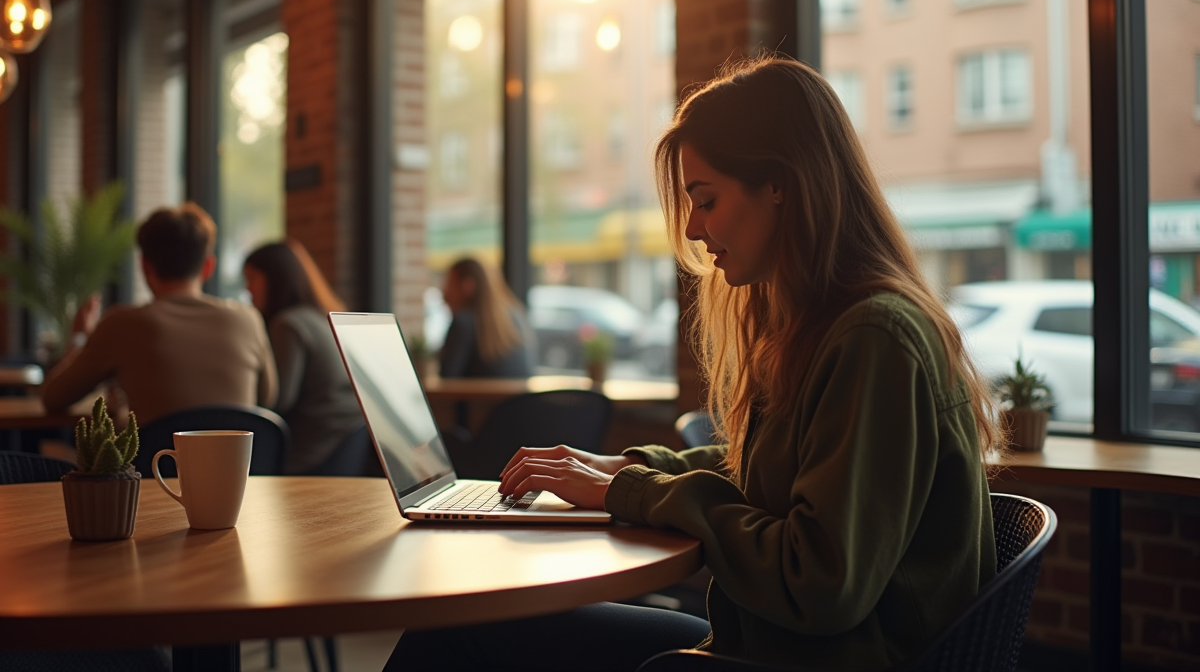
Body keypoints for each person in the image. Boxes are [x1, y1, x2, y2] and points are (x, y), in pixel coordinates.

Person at [384, 56, 1002, 672]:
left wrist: (637, 493)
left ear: (781, 185)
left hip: (801, 660)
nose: (694, 229)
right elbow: (762, 476)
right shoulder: (826, 329)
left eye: (705, 200)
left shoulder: (875, 337)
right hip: (766, 646)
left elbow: (818, 583)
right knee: (464, 626)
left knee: (454, 637)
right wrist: (623, 469)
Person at [43, 202, 277, 424]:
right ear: (208, 267)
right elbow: (267, 399)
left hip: (155, 465)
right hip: (236, 466)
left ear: (145, 266)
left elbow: (53, 398)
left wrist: (79, 338)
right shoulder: (248, 320)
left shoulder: (123, 324)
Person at [242, 240, 365, 474]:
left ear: (275, 279)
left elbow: (278, 402)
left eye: (252, 278)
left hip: (309, 454)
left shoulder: (288, 324)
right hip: (342, 450)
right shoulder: (321, 318)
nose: (248, 289)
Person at [437, 257, 535, 378]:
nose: (444, 292)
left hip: (478, 397)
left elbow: (447, 378)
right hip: (522, 397)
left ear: (468, 285)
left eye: (449, 283)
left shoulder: (462, 323)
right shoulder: (516, 317)